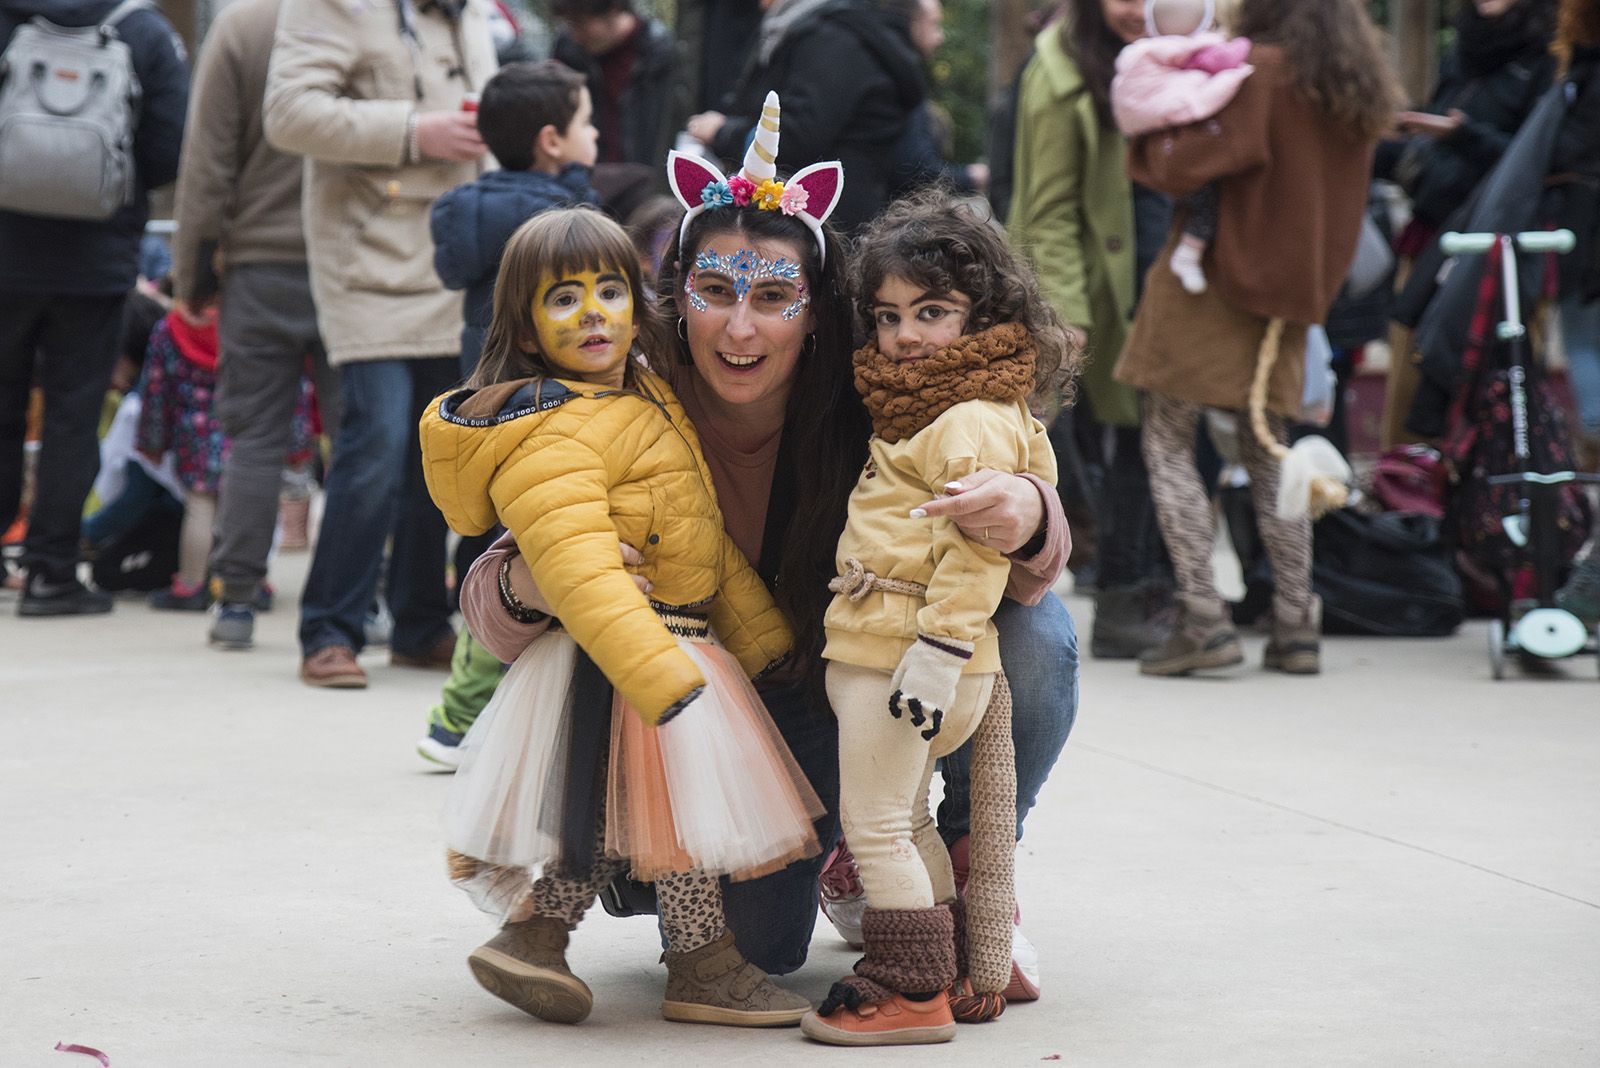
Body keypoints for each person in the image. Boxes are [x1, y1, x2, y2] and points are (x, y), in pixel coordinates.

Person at [458, 93, 1078, 990]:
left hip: (839, 685)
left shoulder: (883, 397)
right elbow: (486, 611)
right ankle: (655, 868)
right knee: (763, 950)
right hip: (687, 711)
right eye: (713, 292)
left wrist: (1029, 512)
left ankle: (968, 875)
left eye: (775, 297)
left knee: (1039, 638)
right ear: (677, 296)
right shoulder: (620, 398)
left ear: (817, 312)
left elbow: (1031, 577)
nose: (740, 328)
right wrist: (533, 585)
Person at [420, 206, 819, 1027]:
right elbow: (578, 568)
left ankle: (536, 934)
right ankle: (701, 963)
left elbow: (696, 538)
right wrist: (657, 675)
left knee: (613, 820)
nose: (593, 312)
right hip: (628, 657)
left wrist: (758, 632)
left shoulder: (642, 396)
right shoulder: (555, 430)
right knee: (671, 828)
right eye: (563, 299)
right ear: (526, 331)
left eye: (609, 289)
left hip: (672, 644)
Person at [800, 192, 1071, 1046]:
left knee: (877, 826)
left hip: (905, 660)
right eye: (888, 316)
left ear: (985, 314)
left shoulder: (968, 418)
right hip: (883, 650)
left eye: (934, 312)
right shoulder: (916, 410)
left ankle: (907, 991)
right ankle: (940, 963)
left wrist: (940, 649)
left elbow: (976, 548)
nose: (906, 335)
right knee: (903, 822)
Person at [1114, 0, 1402, 676]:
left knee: (1167, 437)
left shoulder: (1261, 72)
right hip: (1293, 297)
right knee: (1268, 447)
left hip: (1213, 282)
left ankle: (1203, 616)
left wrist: (1149, 136)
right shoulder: (1352, 85)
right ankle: (1297, 621)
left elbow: (1184, 165)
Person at [263, 0, 497, 687]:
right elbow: (288, 112)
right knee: (377, 441)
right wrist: (415, 131)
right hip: (365, 259)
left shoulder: (476, 11)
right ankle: (330, 629)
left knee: (441, 446)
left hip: (451, 258)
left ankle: (420, 621)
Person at [417, 59, 601, 767]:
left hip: (490, 412)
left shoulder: (470, 213)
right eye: (585, 123)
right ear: (552, 140)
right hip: (549, 416)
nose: (594, 136)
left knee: (497, 555)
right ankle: (458, 718)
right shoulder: (564, 223)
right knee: (532, 558)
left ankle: (466, 715)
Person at [0, 0, 188, 616]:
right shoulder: (142, 29)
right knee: (72, 417)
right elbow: (166, 148)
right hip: (96, 257)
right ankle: (50, 574)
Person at [1007, 0, 1176, 661]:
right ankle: (1125, 593)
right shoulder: (1060, 71)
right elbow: (1046, 209)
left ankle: (1153, 585)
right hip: (1105, 286)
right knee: (1130, 436)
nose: (1137, 9)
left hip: (1167, 272)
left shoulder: (1184, 57)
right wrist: (1066, 314)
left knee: (1164, 441)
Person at [170, 0, 338, 650]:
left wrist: (192, 274)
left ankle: (236, 601)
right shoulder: (366, 17)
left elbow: (206, 163)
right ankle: (351, 600)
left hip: (259, 266)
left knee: (255, 438)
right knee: (357, 442)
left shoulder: (243, 25)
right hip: (350, 263)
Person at [1376, 0, 1558, 449]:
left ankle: (1494, 489)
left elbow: (1538, 160)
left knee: (1496, 371)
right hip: (1436, 227)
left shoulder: (1549, 56)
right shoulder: (1464, 45)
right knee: (1410, 361)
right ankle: (1404, 484)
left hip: (1505, 241)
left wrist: (1463, 134)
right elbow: (1435, 142)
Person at [686, 0, 926, 233]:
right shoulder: (818, 30)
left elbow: (797, 135)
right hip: (824, 218)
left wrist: (722, 132)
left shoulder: (833, 38)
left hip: (833, 224)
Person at [1110, 0, 1254, 295]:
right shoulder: (1190, 52)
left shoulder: (1141, 51)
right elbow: (1226, 60)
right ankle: (1189, 252)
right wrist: (1246, 57)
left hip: (1153, 139)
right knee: (1206, 202)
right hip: (1173, 139)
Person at [1549, 0, 1600, 469]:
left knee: (1583, 339)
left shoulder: (1584, 76)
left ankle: (1595, 441)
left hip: (1586, 227)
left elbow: (1571, 147)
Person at [550, 0, 683, 169]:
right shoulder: (568, 51)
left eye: (581, 23)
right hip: (589, 179)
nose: (575, 36)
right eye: (569, 24)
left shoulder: (660, 53)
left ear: (614, 9)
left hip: (643, 180)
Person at [884, 0, 988, 199]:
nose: (940, 37)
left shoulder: (893, 68)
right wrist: (969, 177)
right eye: (934, 24)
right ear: (913, 24)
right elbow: (913, 169)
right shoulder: (899, 77)